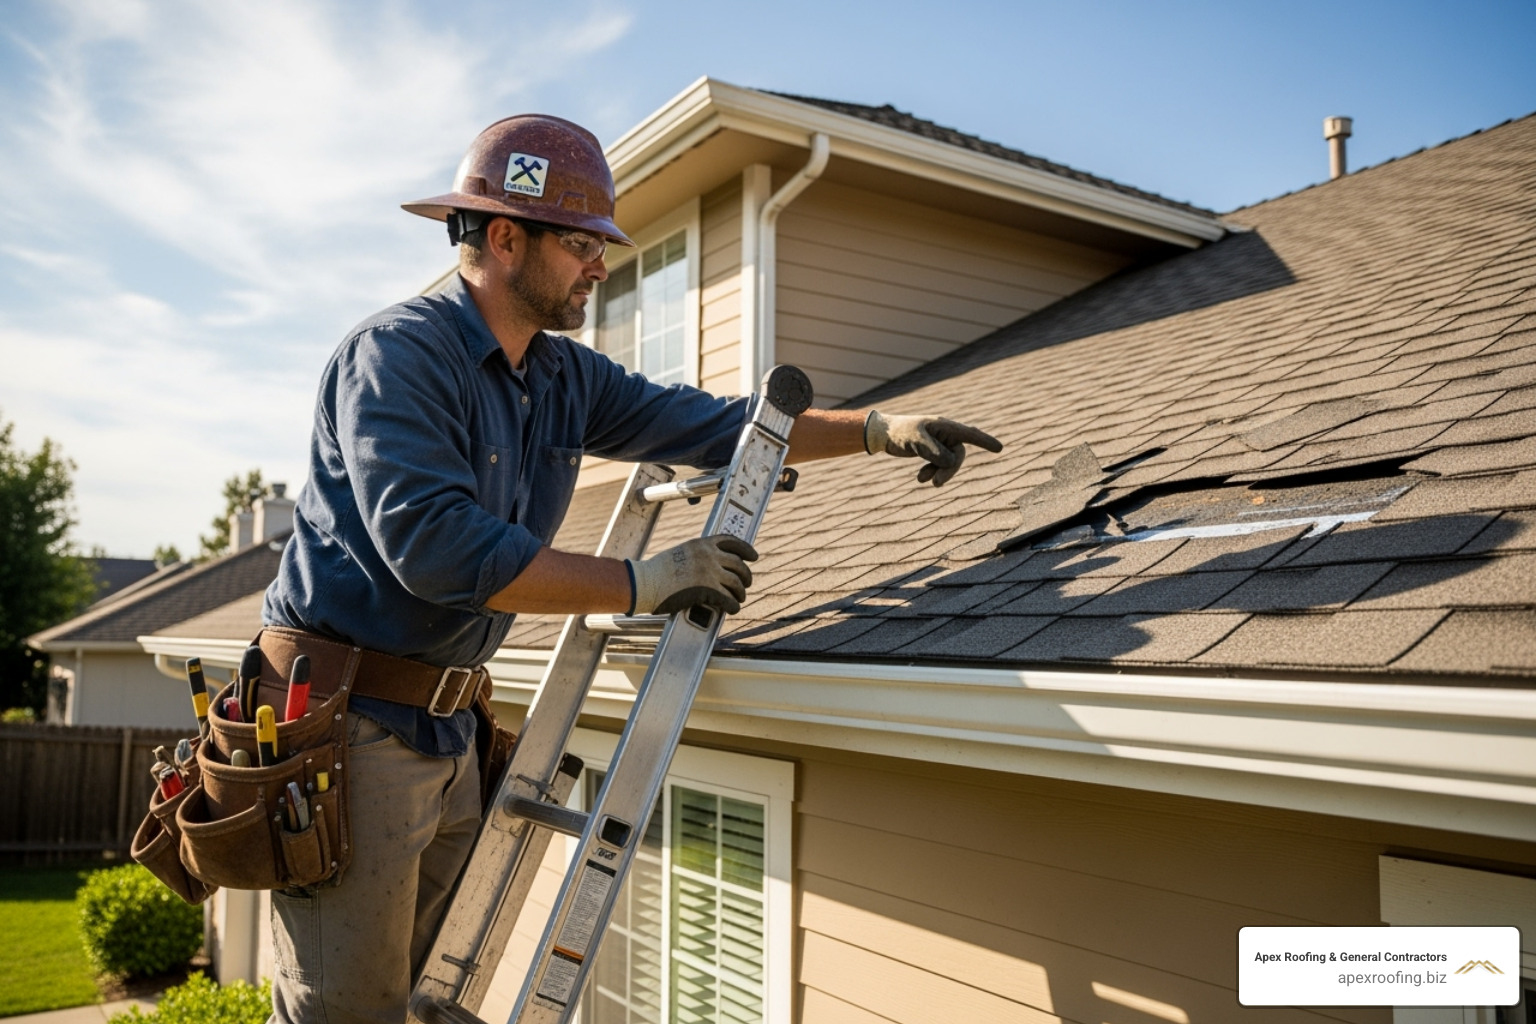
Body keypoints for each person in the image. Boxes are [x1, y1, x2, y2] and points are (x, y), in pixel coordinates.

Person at [259, 114, 1002, 1024]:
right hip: (349, 727)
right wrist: (644, 584)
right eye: (581, 244)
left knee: (418, 997)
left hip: (447, 727)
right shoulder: (399, 357)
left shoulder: (562, 377)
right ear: (503, 236)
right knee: (346, 1011)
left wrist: (881, 431)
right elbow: (437, 548)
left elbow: (724, 424)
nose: (601, 265)